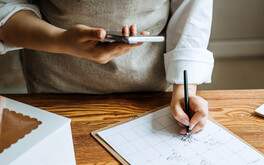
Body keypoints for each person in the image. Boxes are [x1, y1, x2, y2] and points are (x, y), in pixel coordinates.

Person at [0, 0, 214, 135]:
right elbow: (7, 5)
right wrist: (61, 40)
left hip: (150, 91)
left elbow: (191, 8)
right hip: (56, 85)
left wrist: (184, 90)